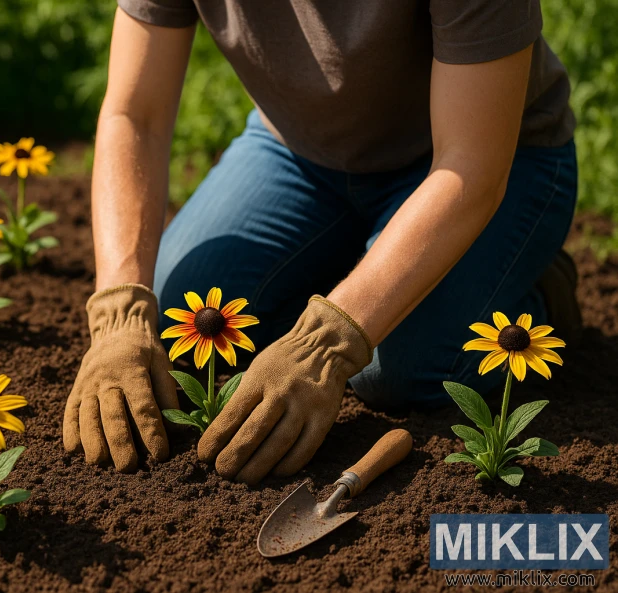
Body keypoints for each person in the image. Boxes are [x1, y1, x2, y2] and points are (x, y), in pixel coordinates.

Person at [63, 0, 580, 485]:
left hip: (490, 160)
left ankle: (530, 286)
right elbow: (137, 116)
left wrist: (326, 342)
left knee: (395, 370)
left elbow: (470, 167)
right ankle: (363, 265)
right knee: (190, 324)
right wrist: (119, 313)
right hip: (300, 156)